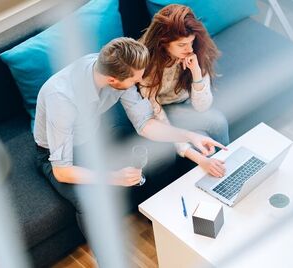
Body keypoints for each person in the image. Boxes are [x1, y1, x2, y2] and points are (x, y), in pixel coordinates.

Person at [34, 37, 226, 225]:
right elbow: (62, 171)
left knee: (162, 151)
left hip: (94, 135)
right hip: (56, 155)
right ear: (113, 80)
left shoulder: (113, 66)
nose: (141, 80)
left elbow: (145, 124)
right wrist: (115, 177)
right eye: (136, 78)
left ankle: (159, 217)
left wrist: (190, 135)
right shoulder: (61, 98)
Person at [139, 4, 230, 178]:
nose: (189, 49)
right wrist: (186, 149)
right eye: (181, 45)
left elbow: (202, 107)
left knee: (216, 123)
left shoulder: (196, 49)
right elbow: (156, 113)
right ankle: (216, 178)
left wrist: (196, 72)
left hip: (187, 101)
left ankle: (224, 171)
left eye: (191, 42)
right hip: (161, 108)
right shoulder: (146, 65)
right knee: (201, 144)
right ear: (163, 43)